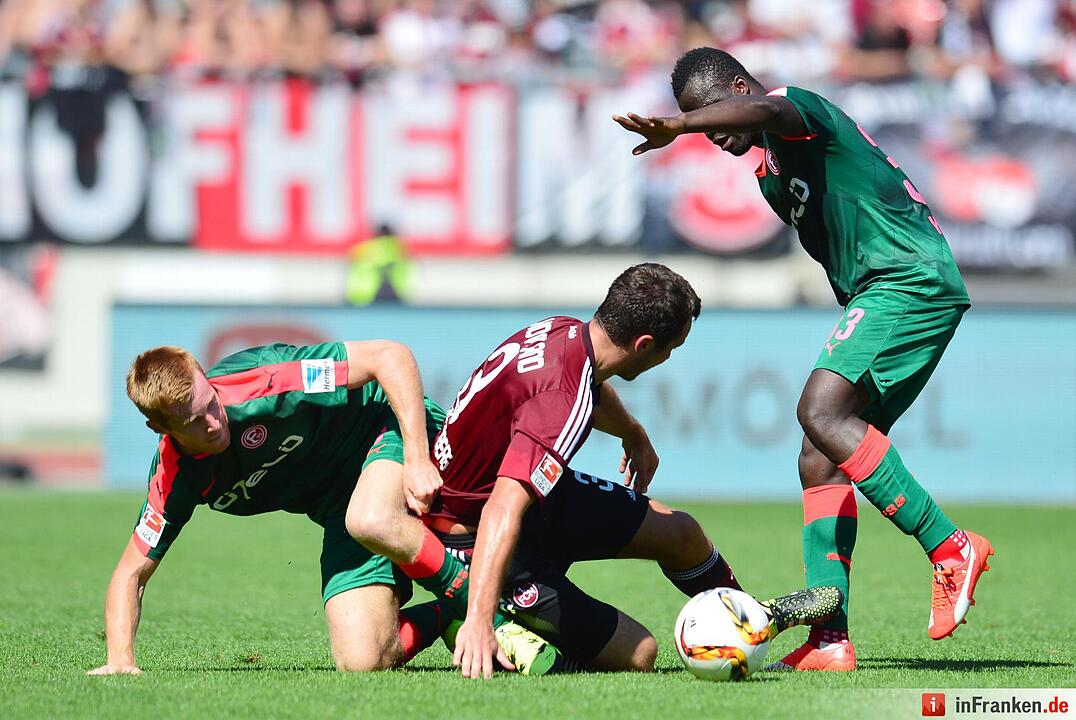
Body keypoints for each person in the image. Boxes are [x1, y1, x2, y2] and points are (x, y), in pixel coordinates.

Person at [613, 49, 994, 672]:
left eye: (710, 117)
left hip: (907, 280)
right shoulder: (770, 174)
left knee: (818, 409)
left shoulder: (800, 111)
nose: (710, 132)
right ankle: (829, 638)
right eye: (698, 124)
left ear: (737, 89)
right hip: (886, 288)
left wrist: (673, 128)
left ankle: (950, 547)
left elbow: (767, 107)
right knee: (820, 456)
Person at [426, 263, 842, 679]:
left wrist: (633, 434)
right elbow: (503, 507)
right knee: (639, 653)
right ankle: (474, 616)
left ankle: (750, 620)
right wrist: (479, 621)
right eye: (672, 348)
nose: (670, 357)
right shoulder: (561, 399)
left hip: (537, 500)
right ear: (644, 345)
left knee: (682, 533)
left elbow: (592, 383)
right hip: (477, 536)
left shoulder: (566, 332)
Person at [88, 339, 548, 676]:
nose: (214, 422)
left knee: (369, 515)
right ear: (159, 428)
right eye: (195, 422)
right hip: (342, 507)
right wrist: (121, 661)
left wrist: (415, 457)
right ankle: (451, 617)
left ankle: (482, 607)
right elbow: (130, 574)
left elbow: (391, 358)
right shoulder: (174, 475)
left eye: (211, 402)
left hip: (384, 431)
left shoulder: (265, 380)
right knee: (363, 660)